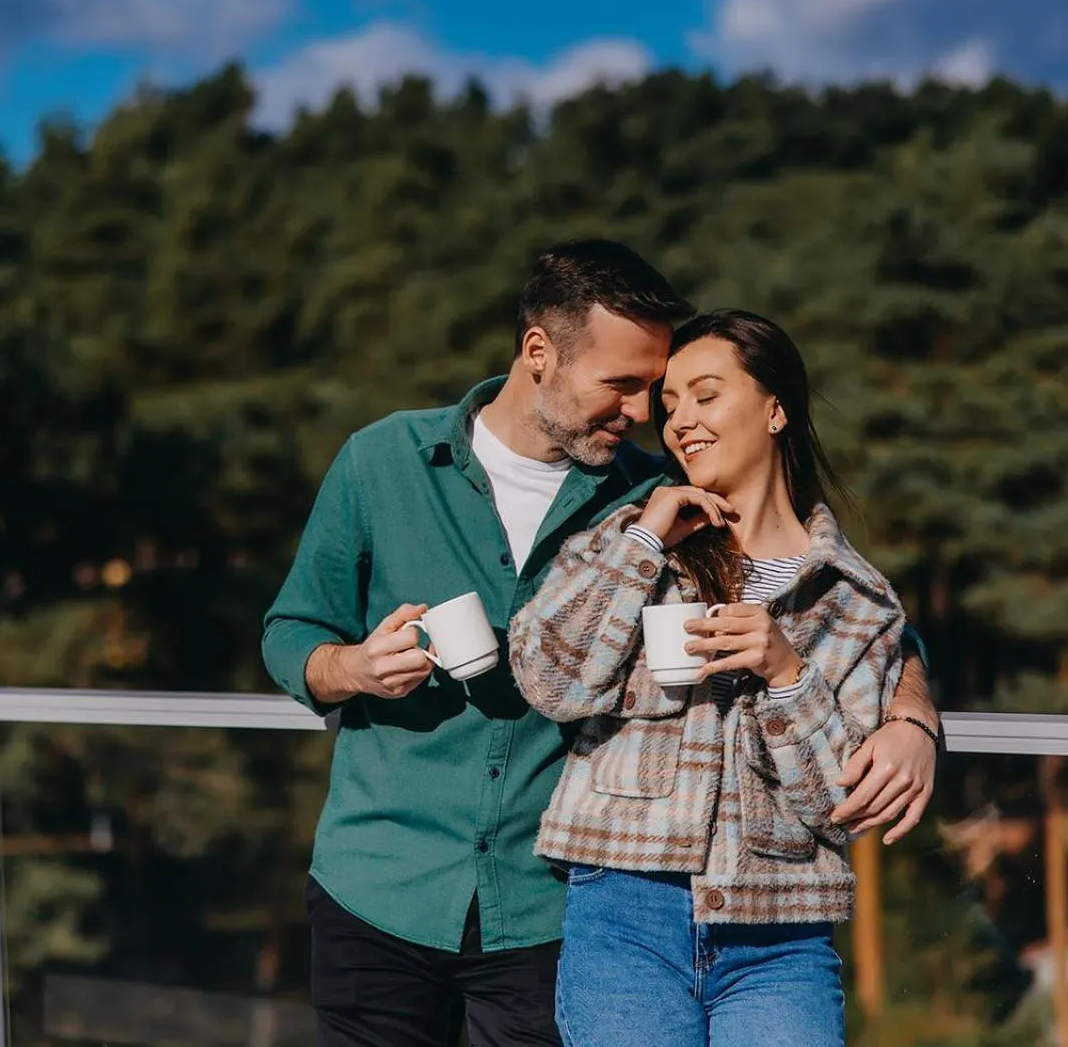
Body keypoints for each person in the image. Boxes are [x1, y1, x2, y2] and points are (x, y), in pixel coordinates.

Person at [261, 244, 940, 1047]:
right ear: (538, 353)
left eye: (657, 389)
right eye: (623, 385)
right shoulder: (383, 461)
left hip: (545, 908)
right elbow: (291, 632)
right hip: (379, 883)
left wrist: (914, 716)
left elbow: (849, 613)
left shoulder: (656, 493)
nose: (646, 412)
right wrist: (352, 668)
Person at [508, 308, 932, 1047]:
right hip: (624, 908)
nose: (678, 423)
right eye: (670, 406)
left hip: (781, 934)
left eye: (706, 395)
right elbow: (547, 681)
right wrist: (644, 541)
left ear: (776, 409)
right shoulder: (628, 537)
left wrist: (787, 674)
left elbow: (836, 806)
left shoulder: (855, 601)